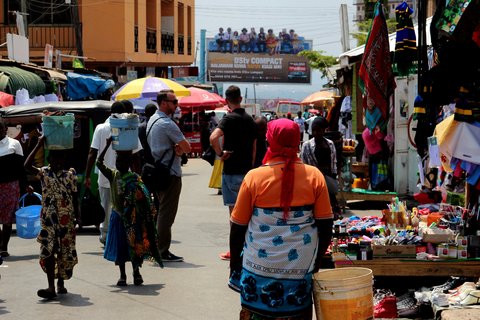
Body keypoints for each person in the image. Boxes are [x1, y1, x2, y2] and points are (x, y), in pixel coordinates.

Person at [228, 119, 333, 319]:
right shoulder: (314, 176)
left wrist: (235, 265)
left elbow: (238, 228)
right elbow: (326, 226)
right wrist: (316, 263)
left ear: (270, 142)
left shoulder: (254, 177)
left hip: (257, 271)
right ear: (298, 142)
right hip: (300, 269)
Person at [96, 138, 162, 286]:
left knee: (134, 245)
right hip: (118, 217)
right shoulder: (113, 175)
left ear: (129, 164)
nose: (120, 164)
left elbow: (143, 197)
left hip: (133, 218)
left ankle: (136, 273)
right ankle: (122, 275)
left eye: (124, 161)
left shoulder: (134, 178)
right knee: (120, 247)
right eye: (118, 161)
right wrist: (106, 145)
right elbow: (98, 163)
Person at [25, 136, 78, 300]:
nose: (58, 162)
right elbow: (26, 166)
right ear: (49, 159)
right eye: (54, 159)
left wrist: (79, 216)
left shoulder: (70, 174)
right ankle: (50, 287)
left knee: (63, 251)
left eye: (60, 159)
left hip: (66, 219)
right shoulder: (44, 173)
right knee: (48, 250)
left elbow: (74, 197)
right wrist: (39, 144)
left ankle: (60, 282)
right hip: (48, 219)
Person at [210, 85, 257, 260]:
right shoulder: (250, 120)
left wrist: (221, 154)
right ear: (241, 99)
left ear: (226, 100)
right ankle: (249, 248)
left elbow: (213, 137)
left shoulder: (228, 119)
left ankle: (234, 251)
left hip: (230, 173)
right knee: (249, 213)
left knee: (234, 215)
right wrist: (251, 167)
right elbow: (254, 147)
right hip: (247, 172)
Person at [85, 101, 142, 244]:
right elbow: (136, 156)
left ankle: (105, 237)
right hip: (125, 177)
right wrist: (138, 177)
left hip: (105, 177)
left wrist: (87, 175)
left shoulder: (101, 128)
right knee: (125, 207)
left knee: (106, 208)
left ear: (109, 112)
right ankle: (124, 236)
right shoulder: (129, 126)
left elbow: (92, 153)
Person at [147, 90, 191, 262]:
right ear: (164, 103)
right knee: (166, 214)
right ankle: (162, 250)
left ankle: (158, 248)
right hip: (170, 173)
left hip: (158, 170)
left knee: (161, 211)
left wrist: (178, 148)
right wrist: (179, 148)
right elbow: (187, 147)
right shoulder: (166, 124)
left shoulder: (152, 120)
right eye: (174, 102)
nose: (176, 105)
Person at [301, 117, 341, 218]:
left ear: (323, 130)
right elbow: (303, 163)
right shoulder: (307, 145)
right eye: (314, 130)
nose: (316, 132)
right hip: (313, 179)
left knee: (329, 202)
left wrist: (333, 176)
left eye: (318, 130)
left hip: (327, 177)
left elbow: (333, 162)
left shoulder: (330, 144)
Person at [0, 118, 25, 257]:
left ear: (5, 129)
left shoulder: (14, 144)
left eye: (0, 128)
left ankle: (4, 247)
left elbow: (21, 167)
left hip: (10, 186)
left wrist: (25, 185)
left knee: (8, 218)